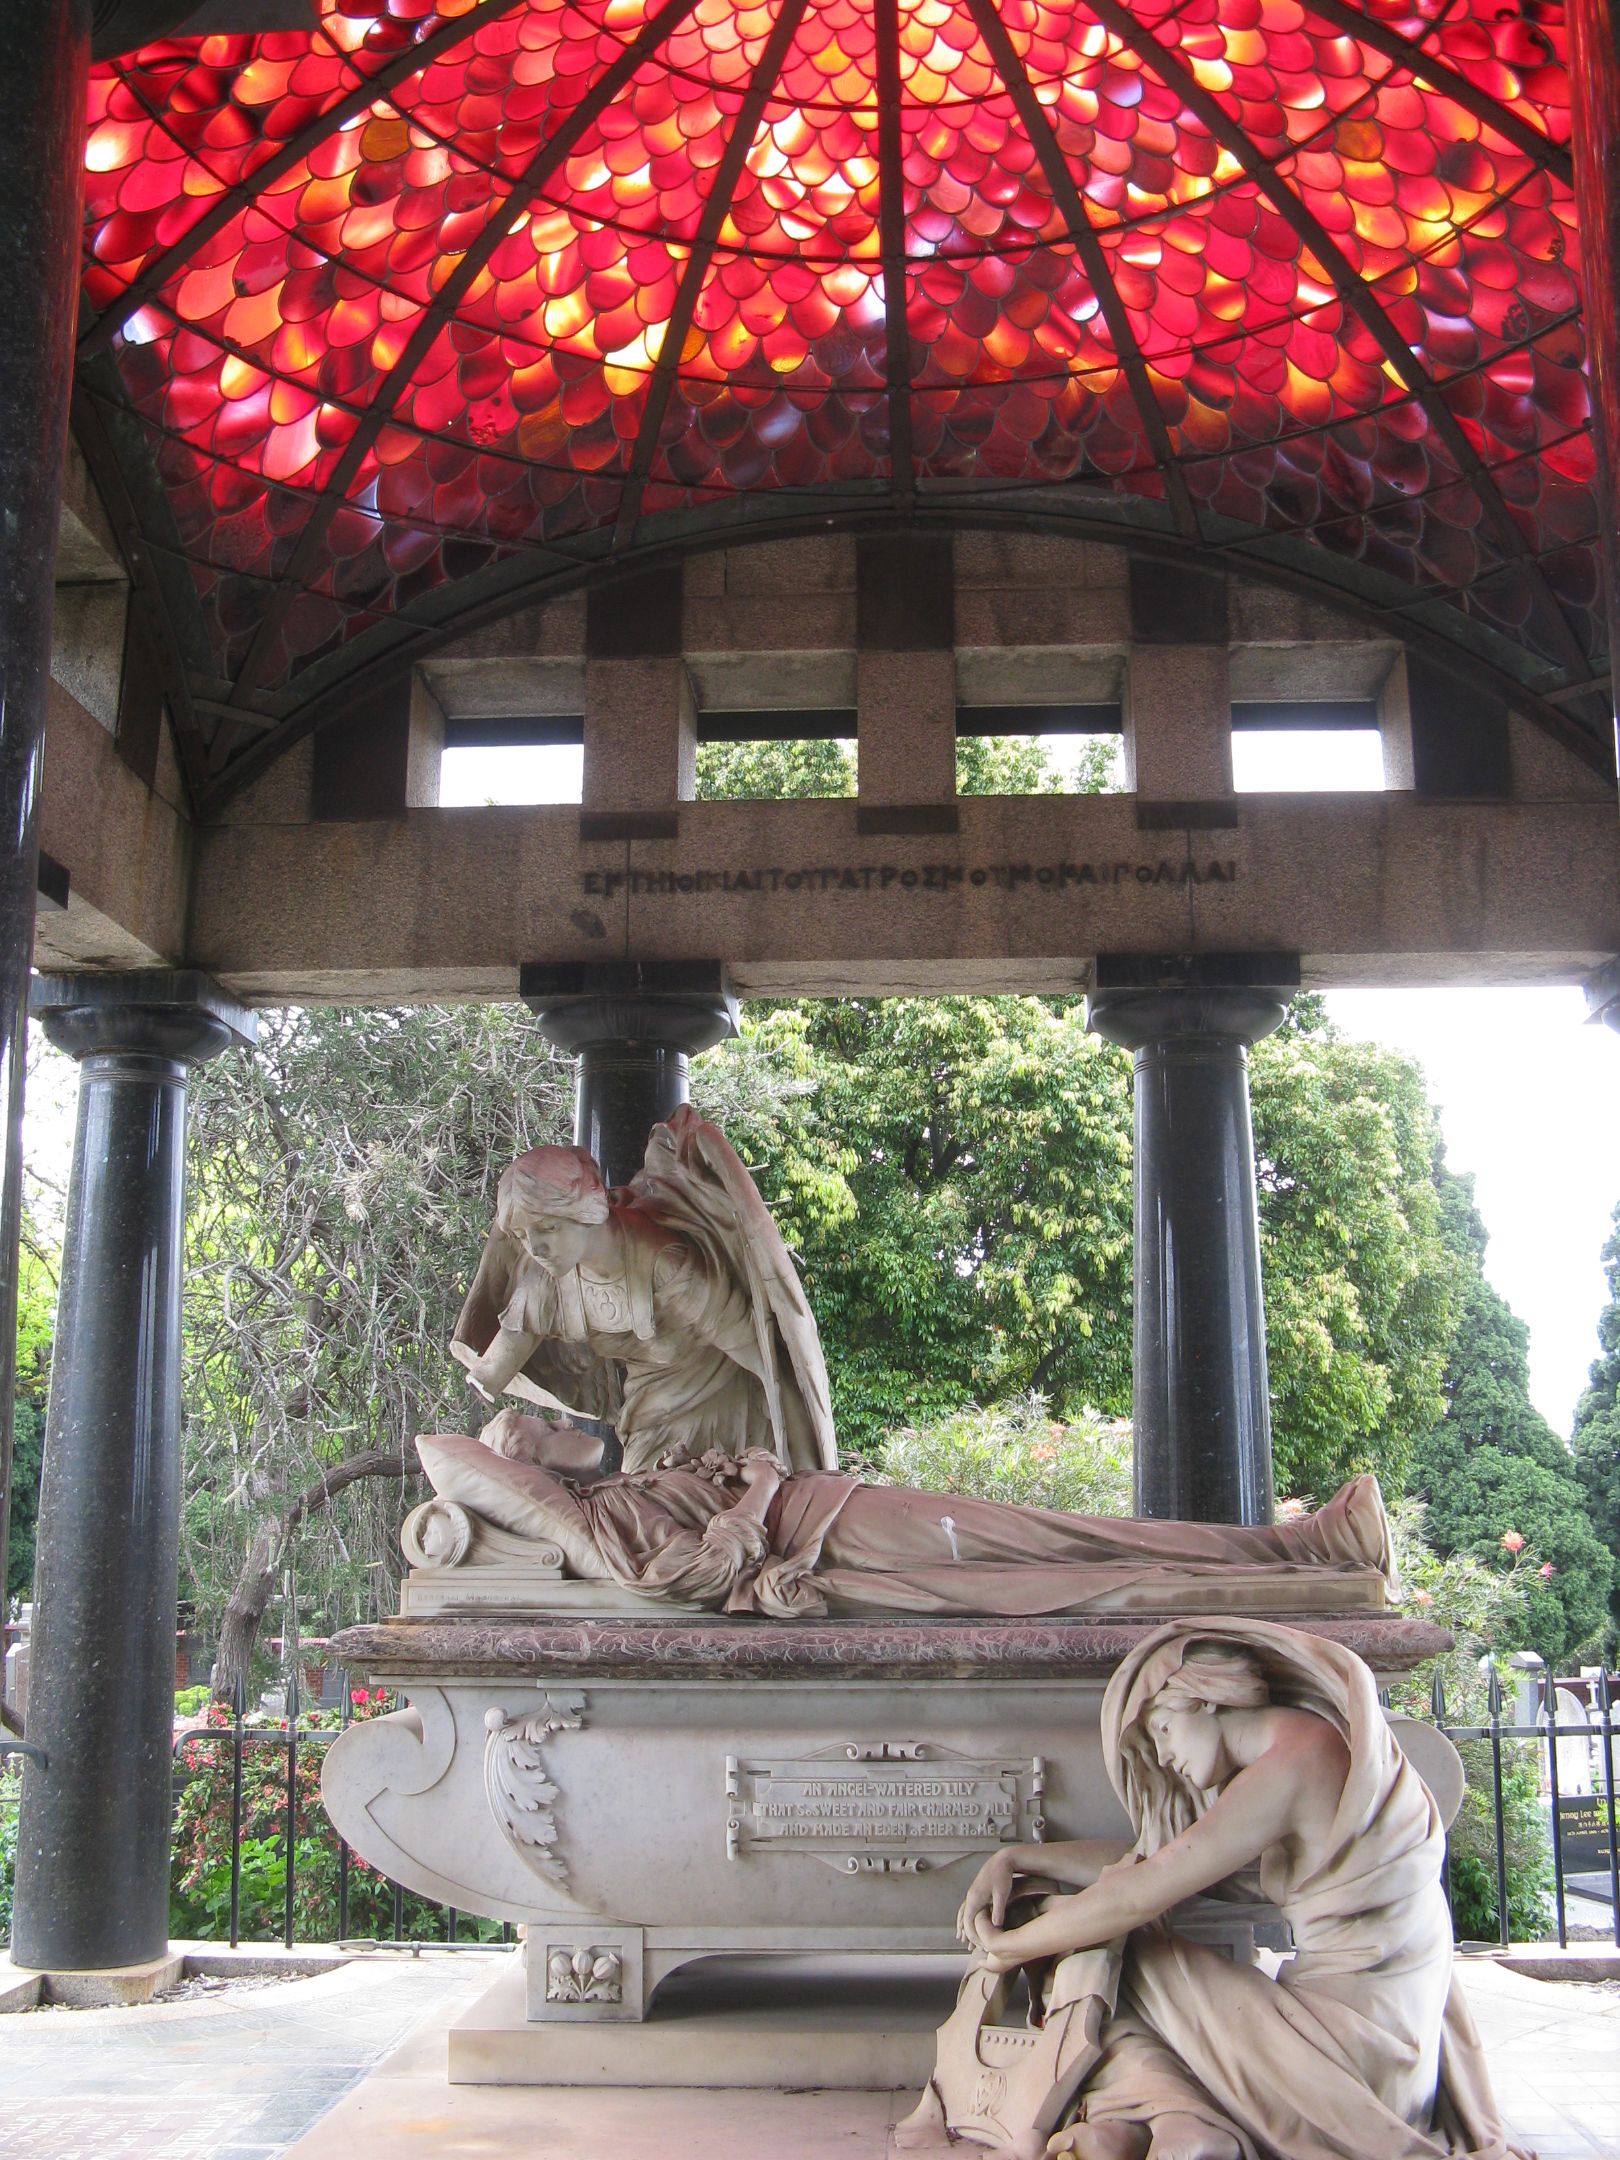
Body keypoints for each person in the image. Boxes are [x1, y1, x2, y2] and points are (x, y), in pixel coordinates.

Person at [932, 1621, 1526, 2160]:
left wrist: (1011, 1947)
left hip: (1347, 2062)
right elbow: (1147, 1865)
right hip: (1390, 2051)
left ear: (1208, 1699)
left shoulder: (1295, 1763)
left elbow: (1137, 1894)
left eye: (1163, 1729)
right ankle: (1181, 2124)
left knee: (1100, 1936)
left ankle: (1165, 2114)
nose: (1164, 1756)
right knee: (1100, 1929)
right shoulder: (1299, 1752)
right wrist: (1015, 1855)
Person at [412, 1420, 1399, 1619]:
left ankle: (1291, 1547)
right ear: (521, 1469)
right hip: (831, 1535)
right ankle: (1298, 1551)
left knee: (1053, 1532)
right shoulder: (594, 1526)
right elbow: (697, 1577)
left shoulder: (614, 1493)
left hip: (832, 1506)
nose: (560, 1425)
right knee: (1060, 1545)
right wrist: (756, 1488)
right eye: (536, 1431)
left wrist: (736, 1469)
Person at [450, 1107, 836, 1475]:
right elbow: (498, 1363)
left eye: (548, 1229)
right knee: (642, 1507)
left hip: (719, 1391)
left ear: (586, 1210)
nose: (535, 1247)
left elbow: (753, 1349)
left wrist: (788, 1416)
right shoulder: (547, 1281)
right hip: (648, 1405)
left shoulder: (663, 1263)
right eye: (521, 1235)